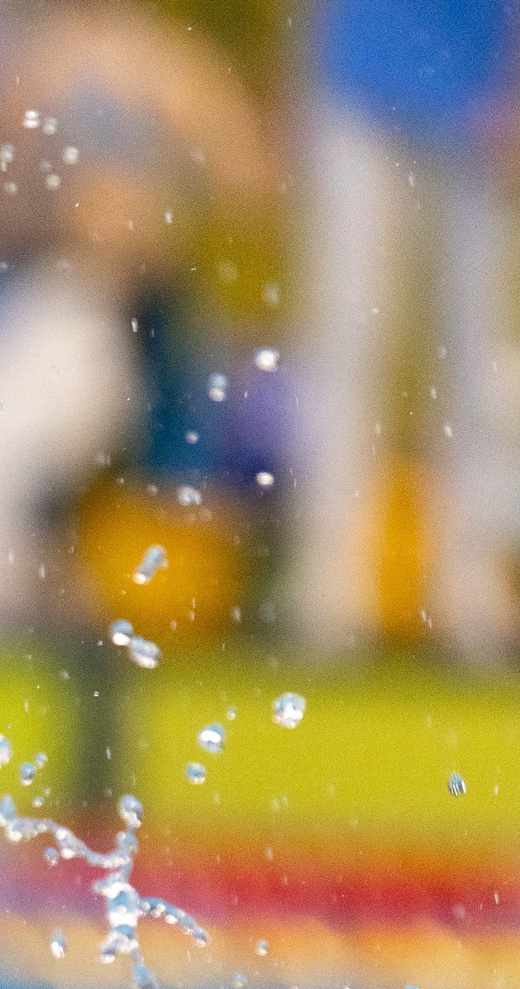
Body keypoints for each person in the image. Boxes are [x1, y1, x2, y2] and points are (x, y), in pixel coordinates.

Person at [284, 0, 520, 660]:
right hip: (357, 81)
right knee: (346, 338)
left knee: (474, 354)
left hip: (480, 89)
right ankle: (328, 585)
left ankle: (469, 581)